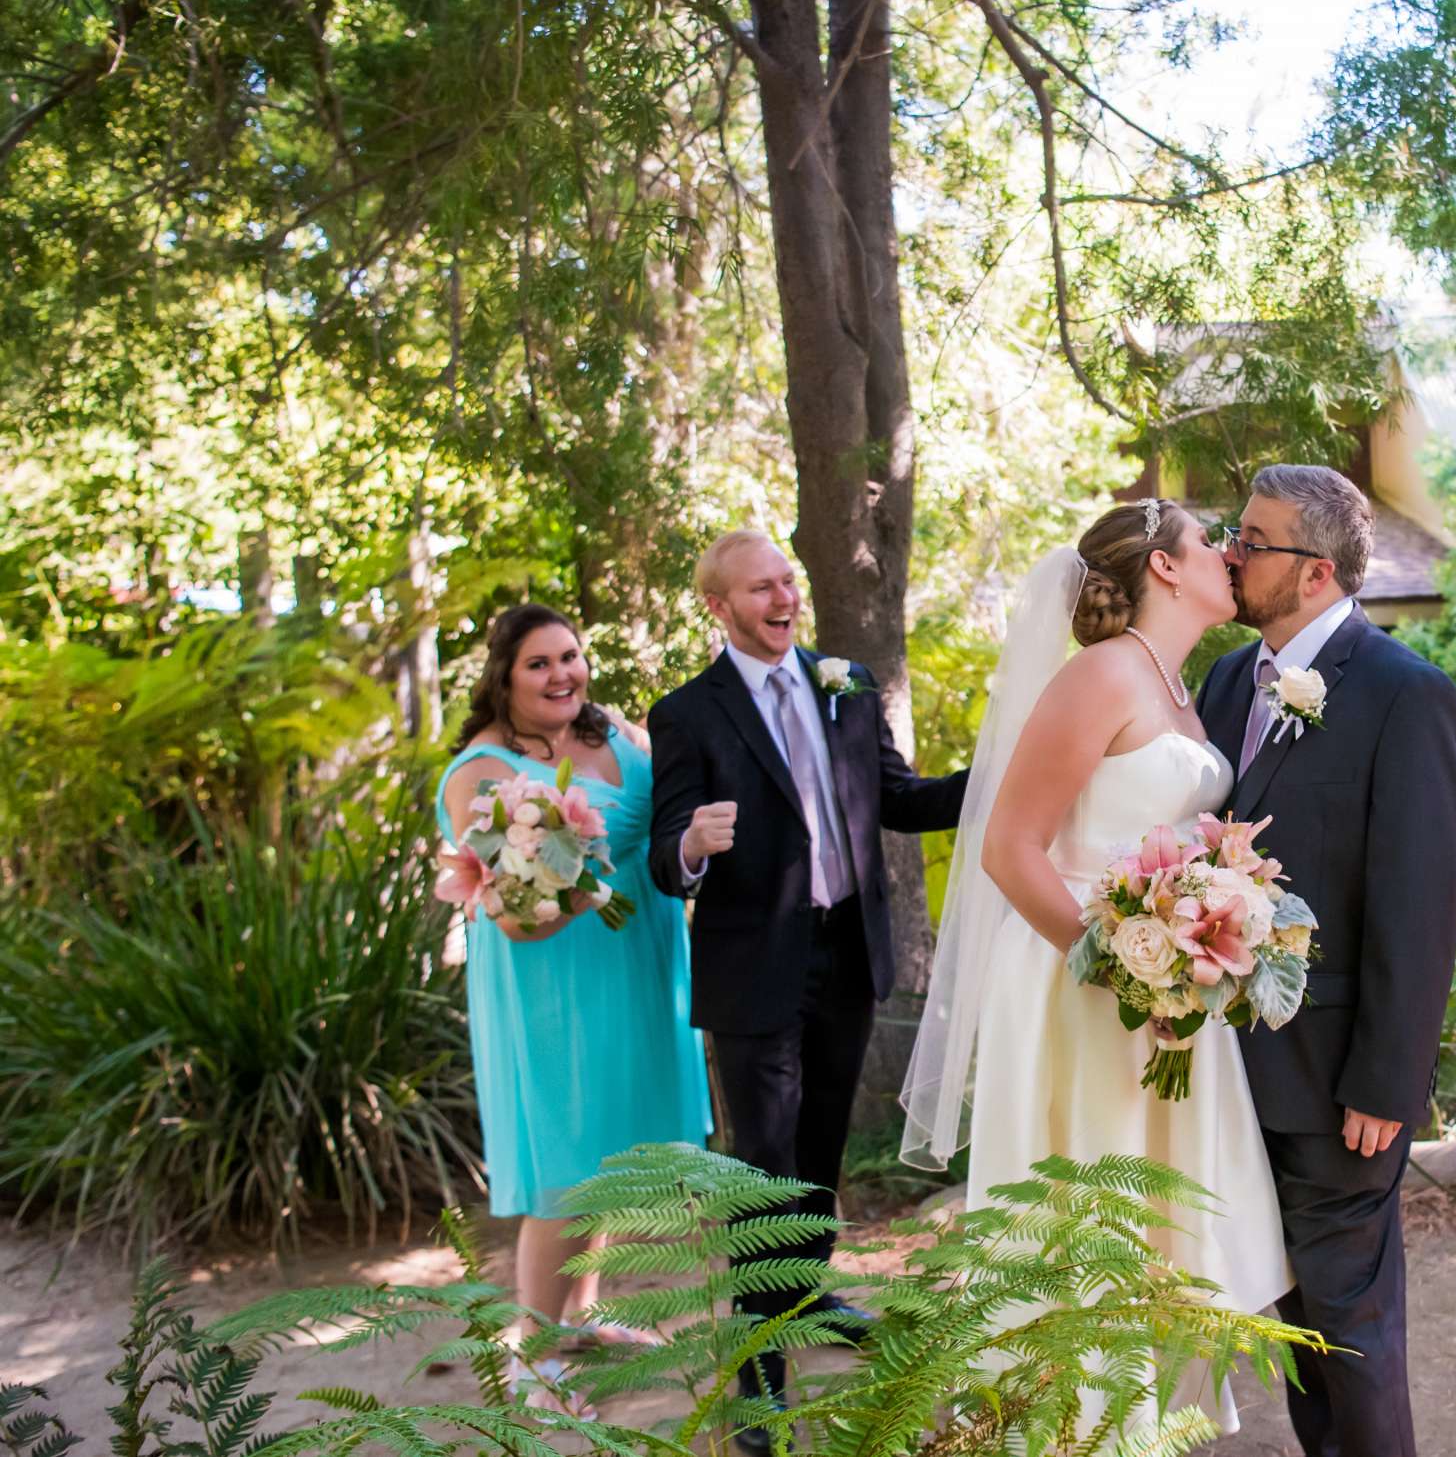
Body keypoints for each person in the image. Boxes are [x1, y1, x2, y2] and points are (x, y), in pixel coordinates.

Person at [899, 499, 1292, 1435]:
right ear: (1163, 566)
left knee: (1155, 1214)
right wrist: (1122, 966)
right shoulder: (1101, 675)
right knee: (1092, 1203)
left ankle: (1142, 1424)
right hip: (1078, 981)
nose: (1229, 555)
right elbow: (1009, 848)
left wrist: (1203, 936)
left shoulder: (1179, 683)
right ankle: (1072, 1427)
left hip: (1164, 982)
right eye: (1211, 542)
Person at [646, 529, 969, 1427]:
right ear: (718, 606)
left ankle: (804, 1293)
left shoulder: (849, 685)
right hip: (754, 970)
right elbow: (663, 862)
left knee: (819, 1147)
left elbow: (898, 799)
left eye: (788, 581)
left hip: (847, 954)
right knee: (763, 1164)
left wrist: (997, 783)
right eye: (760, 589)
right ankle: (758, 1363)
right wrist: (691, 846)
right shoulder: (688, 714)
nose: (783, 599)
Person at [1196, 465, 1456, 1457]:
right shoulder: (1230, 679)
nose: (1232, 553)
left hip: (1338, 1083)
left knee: (1351, 1334)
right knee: (1294, 1328)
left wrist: (1387, 1084)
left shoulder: (1407, 694)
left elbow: (1424, 899)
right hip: (1232, 1071)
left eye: (1253, 541)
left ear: (1315, 573)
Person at [435, 604, 713, 1401]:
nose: (562, 674)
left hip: (638, 958)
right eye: (539, 664)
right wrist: (576, 899)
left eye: (570, 656)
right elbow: (508, 915)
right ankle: (533, 1352)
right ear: (504, 678)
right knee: (564, 1159)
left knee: (611, 1153)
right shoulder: (483, 774)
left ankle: (581, 1320)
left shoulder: (616, 733)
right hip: (553, 981)